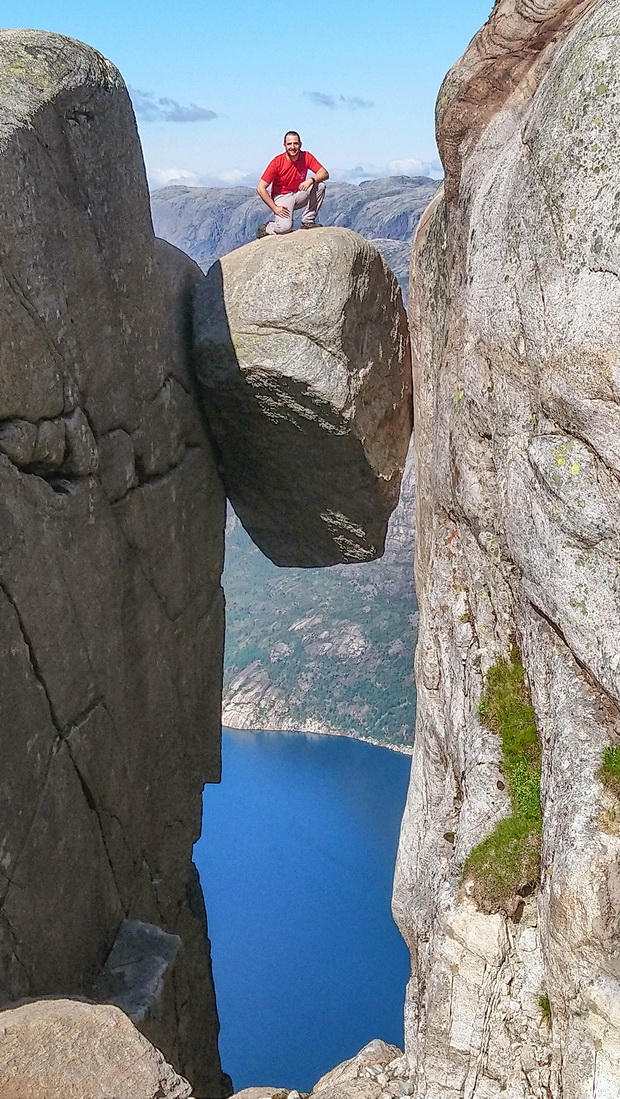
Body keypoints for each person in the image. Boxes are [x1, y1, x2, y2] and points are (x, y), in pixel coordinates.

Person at [256, 131, 329, 237]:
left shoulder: (306, 157)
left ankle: (308, 221)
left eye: (295, 143)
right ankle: (267, 228)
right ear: (284, 146)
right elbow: (260, 188)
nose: (292, 147)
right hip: (282, 196)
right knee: (285, 228)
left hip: (299, 193)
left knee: (320, 186)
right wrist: (275, 208)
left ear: (300, 144)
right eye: (289, 144)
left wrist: (311, 180)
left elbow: (324, 173)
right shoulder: (277, 162)